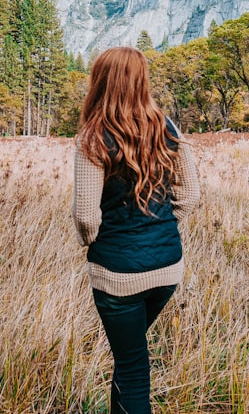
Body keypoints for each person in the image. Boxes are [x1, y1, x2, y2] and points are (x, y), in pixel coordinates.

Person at [72, 46, 201, 414]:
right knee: (128, 355)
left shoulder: (92, 138)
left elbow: (85, 216)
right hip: (167, 269)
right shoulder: (167, 127)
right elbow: (190, 196)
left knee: (131, 365)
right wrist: (156, 226)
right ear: (141, 81)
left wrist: (95, 242)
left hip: (117, 275)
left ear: (100, 82)